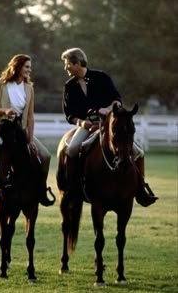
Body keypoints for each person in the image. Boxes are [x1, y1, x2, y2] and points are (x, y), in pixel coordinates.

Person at [61, 47, 157, 206]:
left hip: (109, 125)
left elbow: (116, 99)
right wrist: (81, 122)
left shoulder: (101, 77)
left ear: (77, 63)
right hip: (86, 126)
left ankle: (141, 189)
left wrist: (110, 108)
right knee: (72, 149)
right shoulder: (69, 86)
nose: (66, 68)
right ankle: (73, 188)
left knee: (138, 151)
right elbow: (69, 114)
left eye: (67, 64)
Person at [0, 54, 55, 211]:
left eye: (30, 67)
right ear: (18, 67)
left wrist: (29, 139)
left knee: (46, 156)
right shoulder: (2, 84)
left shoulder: (29, 88)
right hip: (1, 130)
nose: (30, 70)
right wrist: (4, 110)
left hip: (21, 131)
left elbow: (30, 116)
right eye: (27, 67)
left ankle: (42, 191)